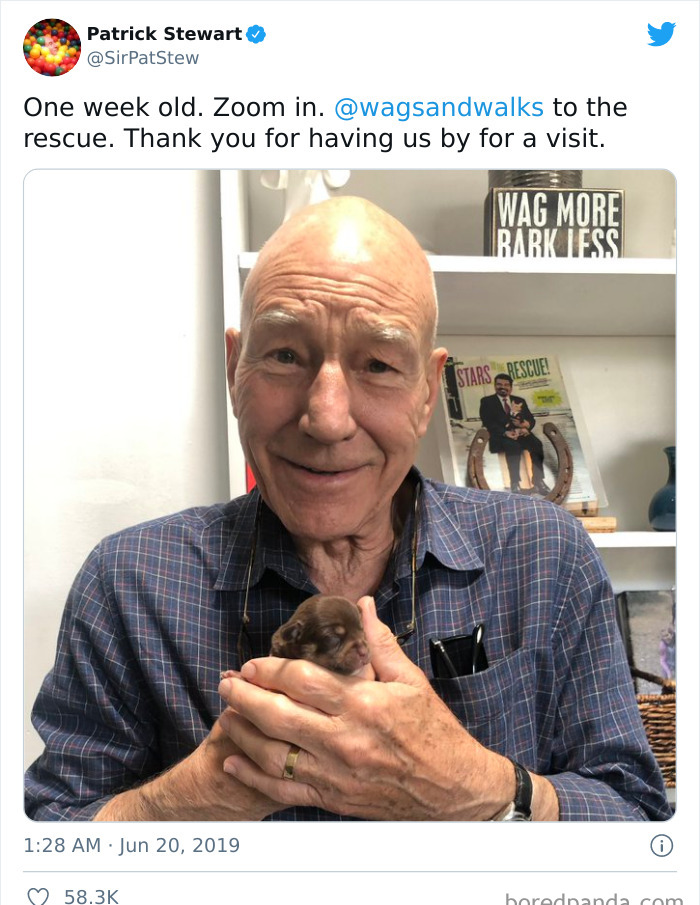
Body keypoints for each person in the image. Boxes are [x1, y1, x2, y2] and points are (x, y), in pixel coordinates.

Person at [25, 197, 671, 822]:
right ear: (234, 368)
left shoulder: (545, 556)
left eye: (379, 364)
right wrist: (194, 799)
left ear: (428, 391)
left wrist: (484, 791)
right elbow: (48, 845)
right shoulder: (129, 583)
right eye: (284, 354)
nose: (327, 418)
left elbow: (638, 820)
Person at [479, 374, 550, 494]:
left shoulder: (519, 401)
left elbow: (530, 419)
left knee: (537, 444)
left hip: (521, 433)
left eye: (506, 385)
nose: (503, 387)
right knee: (513, 447)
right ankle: (515, 482)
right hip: (502, 435)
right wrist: (505, 432)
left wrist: (526, 426)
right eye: (499, 384)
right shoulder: (487, 401)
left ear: (511, 388)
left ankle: (538, 480)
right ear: (495, 386)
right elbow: (487, 422)